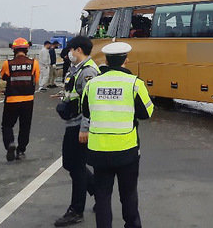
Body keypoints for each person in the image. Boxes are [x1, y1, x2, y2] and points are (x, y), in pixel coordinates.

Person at [80, 42, 153, 228]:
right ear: (126, 60)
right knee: (128, 195)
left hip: (98, 151)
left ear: (105, 60)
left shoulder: (92, 84)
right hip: (126, 150)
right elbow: (147, 113)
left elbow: (86, 112)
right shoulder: (135, 84)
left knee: (102, 197)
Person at [54, 36, 99, 227]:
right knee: (70, 164)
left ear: (78, 50)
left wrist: (85, 128)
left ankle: (76, 210)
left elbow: (92, 103)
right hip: (72, 124)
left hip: (79, 127)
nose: (69, 54)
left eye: (71, 50)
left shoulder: (88, 72)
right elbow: (76, 94)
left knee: (77, 167)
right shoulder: (77, 69)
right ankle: (99, 190)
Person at [1, 38, 40, 161]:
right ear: (27, 49)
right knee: (25, 126)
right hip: (28, 100)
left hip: (11, 100)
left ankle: (10, 144)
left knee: (7, 125)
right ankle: (21, 151)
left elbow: (3, 77)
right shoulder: (34, 63)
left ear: (14, 50)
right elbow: (36, 79)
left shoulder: (8, 64)